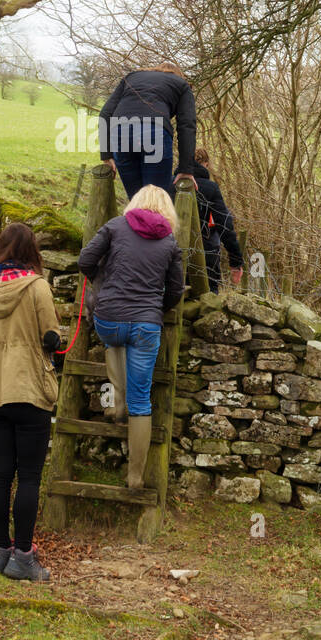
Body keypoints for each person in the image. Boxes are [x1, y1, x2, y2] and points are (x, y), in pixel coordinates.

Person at [0, 222, 62, 583]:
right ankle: (23, 556)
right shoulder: (36, 287)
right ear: (31, 251)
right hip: (27, 388)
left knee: (1, 472)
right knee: (30, 475)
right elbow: (50, 336)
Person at [78, 185, 184, 488]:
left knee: (113, 340)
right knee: (143, 403)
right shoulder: (169, 242)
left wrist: (103, 281)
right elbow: (175, 290)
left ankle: (118, 401)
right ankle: (135, 475)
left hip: (109, 318)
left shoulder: (115, 226)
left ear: (135, 203)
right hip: (146, 325)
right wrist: (155, 310)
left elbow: (85, 261)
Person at [98, 62, 196, 198]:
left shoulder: (132, 77)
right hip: (154, 131)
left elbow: (105, 114)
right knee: (155, 200)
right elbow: (187, 125)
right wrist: (186, 169)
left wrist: (106, 155)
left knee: (136, 199)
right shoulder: (181, 84)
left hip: (121, 131)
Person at [191, 147, 244, 292]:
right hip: (206, 254)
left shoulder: (170, 184)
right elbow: (225, 226)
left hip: (173, 255)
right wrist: (236, 262)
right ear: (206, 164)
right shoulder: (211, 188)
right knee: (209, 298)